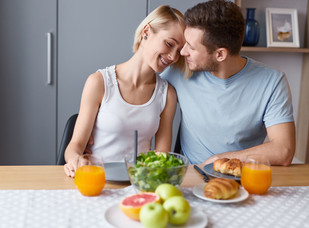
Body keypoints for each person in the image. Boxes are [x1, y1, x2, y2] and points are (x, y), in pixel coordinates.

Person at [160, 0, 295, 166]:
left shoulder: (272, 82)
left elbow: (283, 150)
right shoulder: (178, 71)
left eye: (191, 47)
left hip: (242, 177)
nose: (182, 51)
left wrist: (221, 159)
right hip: (190, 176)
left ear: (220, 54)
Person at [63, 5, 187, 177]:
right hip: (97, 180)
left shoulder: (167, 95)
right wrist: (76, 159)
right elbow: (74, 145)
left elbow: (162, 158)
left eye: (179, 51)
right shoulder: (99, 82)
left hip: (138, 182)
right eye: (169, 44)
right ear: (146, 32)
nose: (173, 57)